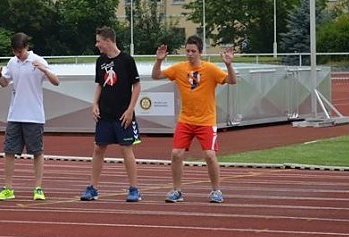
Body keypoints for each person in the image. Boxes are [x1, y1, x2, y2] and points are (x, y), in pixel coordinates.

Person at [151, 35, 236, 203]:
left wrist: (228, 64)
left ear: (200, 52)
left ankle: (216, 190)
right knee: (176, 154)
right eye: (187, 51)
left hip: (206, 121)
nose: (190, 54)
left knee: (210, 155)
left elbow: (232, 81)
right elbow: (156, 76)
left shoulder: (210, 69)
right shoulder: (179, 68)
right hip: (185, 120)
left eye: (193, 51)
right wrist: (159, 60)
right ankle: (176, 190)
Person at [0, 32, 60, 201]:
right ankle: (8, 188)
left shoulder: (38, 60)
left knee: (37, 152)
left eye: (20, 51)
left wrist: (44, 69)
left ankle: (38, 188)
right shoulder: (12, 62)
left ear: (26, 47)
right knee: (9, 151)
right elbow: (5, 84)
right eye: (15, 51)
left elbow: (56, 81)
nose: (17, 54)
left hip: (34, 115)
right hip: (15, 114)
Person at [80, 27, 142, 202]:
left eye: (99, 41)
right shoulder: (100, 61)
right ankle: (93, 188)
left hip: (123, 114)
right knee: (98, 148)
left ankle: (134, 189)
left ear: (108, 41)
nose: (97, 44)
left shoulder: (127, 60)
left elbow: (137, 86)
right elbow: (100, 84)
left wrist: (130, 110)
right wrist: (94, 104)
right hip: (105, 114)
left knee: (126, 149)